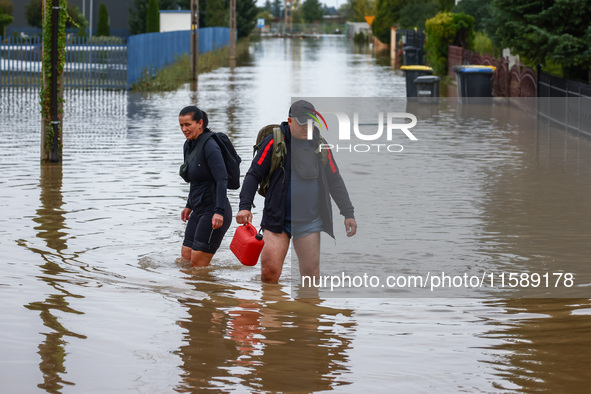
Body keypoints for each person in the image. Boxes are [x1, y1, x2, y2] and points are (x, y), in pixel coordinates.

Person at [236, 100, 357, 283]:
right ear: (290, 121)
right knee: (269, 273)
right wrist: (245, 207)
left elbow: (335, 180)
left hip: (310, 221)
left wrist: (348, 213)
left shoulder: (320, 145)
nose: (307, 127)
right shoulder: (273, 142)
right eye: (302, 122)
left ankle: (308, 310)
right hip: (277, 220)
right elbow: (253, 175)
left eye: (311, 122)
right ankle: (272, 310)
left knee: (310, 276)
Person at [179, 106, 232, 267]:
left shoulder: (210, 145)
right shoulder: (189, 145)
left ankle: (210, 290)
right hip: (198, 208)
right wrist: (189, 205)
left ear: (200, 123)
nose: (184, 129)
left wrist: (219, 212)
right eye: (181, 125)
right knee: (186, 256)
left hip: (214, 211)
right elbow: (195, 179)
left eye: (188, 124)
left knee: (198, 264)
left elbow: (222, 179)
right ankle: (187, 293)